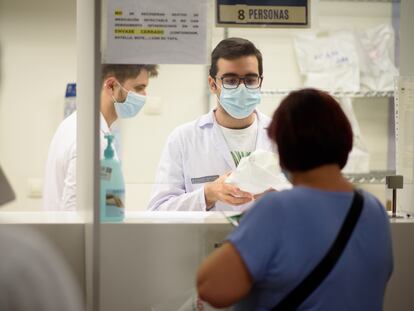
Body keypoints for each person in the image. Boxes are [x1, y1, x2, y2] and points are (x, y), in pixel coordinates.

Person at [196, 89, 393, 310]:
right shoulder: (372, 208)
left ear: (284, 148)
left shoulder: (277, 209)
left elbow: (211, 288)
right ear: (345, 139)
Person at [148, 37, 278, 211]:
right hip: (205, 238)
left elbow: (307, 204)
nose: (242, 88)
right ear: (212, 84)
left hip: (266, 237)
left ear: (260, 82)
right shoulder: (184, 138)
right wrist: (207, 195)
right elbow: (158, 210)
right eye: (231, 81)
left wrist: (283, 198)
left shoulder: (282, 137)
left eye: (250, 80)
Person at [43, 64, 158, 211]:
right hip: (75, 233)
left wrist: (116, 209)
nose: (144, 96)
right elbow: (74, 208)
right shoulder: (92, 138)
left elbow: (102, 198)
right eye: (139, 88)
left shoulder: (75, 124)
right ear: (111, 86)